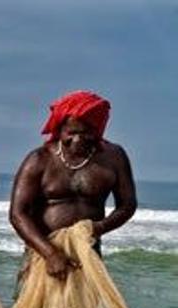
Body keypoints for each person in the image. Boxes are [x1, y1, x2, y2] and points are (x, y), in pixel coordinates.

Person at [9, 90, 136, 281]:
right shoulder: (39, 160)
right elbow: (18, 214)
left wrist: (99, 227)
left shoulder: (114, 157)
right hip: (43, 252)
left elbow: (127, 205)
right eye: (71, 133)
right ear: (59, 130)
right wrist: (50, 253)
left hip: (88, 252)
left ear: (98, 129)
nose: (77, 139)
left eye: (85, 133)